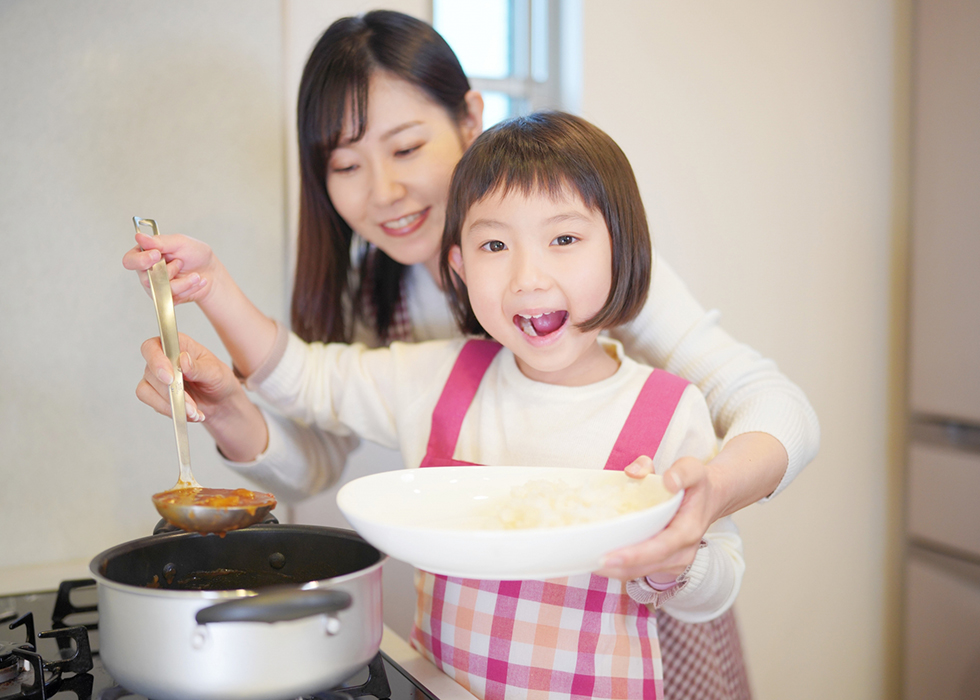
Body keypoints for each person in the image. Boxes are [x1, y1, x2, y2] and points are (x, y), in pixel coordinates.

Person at [124, 10, 818, 698]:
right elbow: (316, 428)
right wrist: (226, 397)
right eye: (346, 165)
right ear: (462, 264)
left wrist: (700, 507)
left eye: (404, 148)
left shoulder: (604, 288)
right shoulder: (383, 303)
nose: (383, 192)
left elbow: (773, 406)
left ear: (468, 120)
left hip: (645, 628)